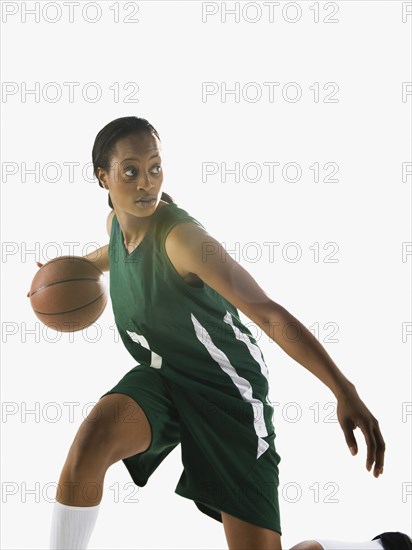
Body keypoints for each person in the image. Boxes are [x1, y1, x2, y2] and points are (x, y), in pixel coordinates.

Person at [31, 116, 410, 550]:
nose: (146, 183)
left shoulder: (185, 240)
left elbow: (267, 311)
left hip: (227, 393)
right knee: (89, 444)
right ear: (103, 177)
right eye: (130, 171)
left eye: (155, 167)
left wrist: (343, 389)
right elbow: (117, 250)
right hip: (166, 380)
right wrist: (74, 269)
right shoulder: (116, 225)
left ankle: (380, 548)